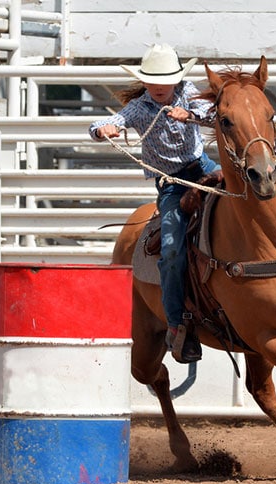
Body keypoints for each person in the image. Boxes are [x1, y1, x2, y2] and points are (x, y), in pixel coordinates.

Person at [89, 43, 217, 364]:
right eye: (153, 80)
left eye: (166, 79)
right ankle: (176, 325)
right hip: (172, 184)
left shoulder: (188, 93)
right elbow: (106, 123)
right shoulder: (139, 108)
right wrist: (104, 130)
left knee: (259, 193)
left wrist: (190, 114)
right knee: (172, 248)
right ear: (145, 81)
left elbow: (216, 115)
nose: (159, 86)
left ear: (177, 79)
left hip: (203, 169)